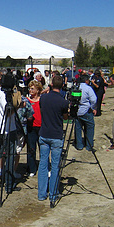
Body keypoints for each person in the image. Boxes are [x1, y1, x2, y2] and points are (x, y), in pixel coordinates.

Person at [38, 75, 69, 206]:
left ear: (51, 85)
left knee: (43, 164)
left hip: (44, 134)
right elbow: (66, 117)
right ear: (62, 86)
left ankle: (41, 194)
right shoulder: (63, 101)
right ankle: (53, 194)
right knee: (55, 166)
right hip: (56, 135)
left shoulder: (44, 98)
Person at [74, 74, 96, 151]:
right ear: (86, 80)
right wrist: (92, 108)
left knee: (78, 128)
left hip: (77, 110)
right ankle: (89, 145)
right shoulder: (88, 88)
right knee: (90, 127)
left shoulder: (76, 87)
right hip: (86, 110)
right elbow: (93, 99)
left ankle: (79, 145)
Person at [26, 80, 42, 177]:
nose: (30, 90)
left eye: (32, 88)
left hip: (41, 127)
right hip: (31, 127)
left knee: (43, 149)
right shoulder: (27, 100)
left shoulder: (42, 100)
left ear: (38, 90)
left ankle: (44, 167)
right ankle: (31, 168)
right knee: (31, 149)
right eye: (30, 88)